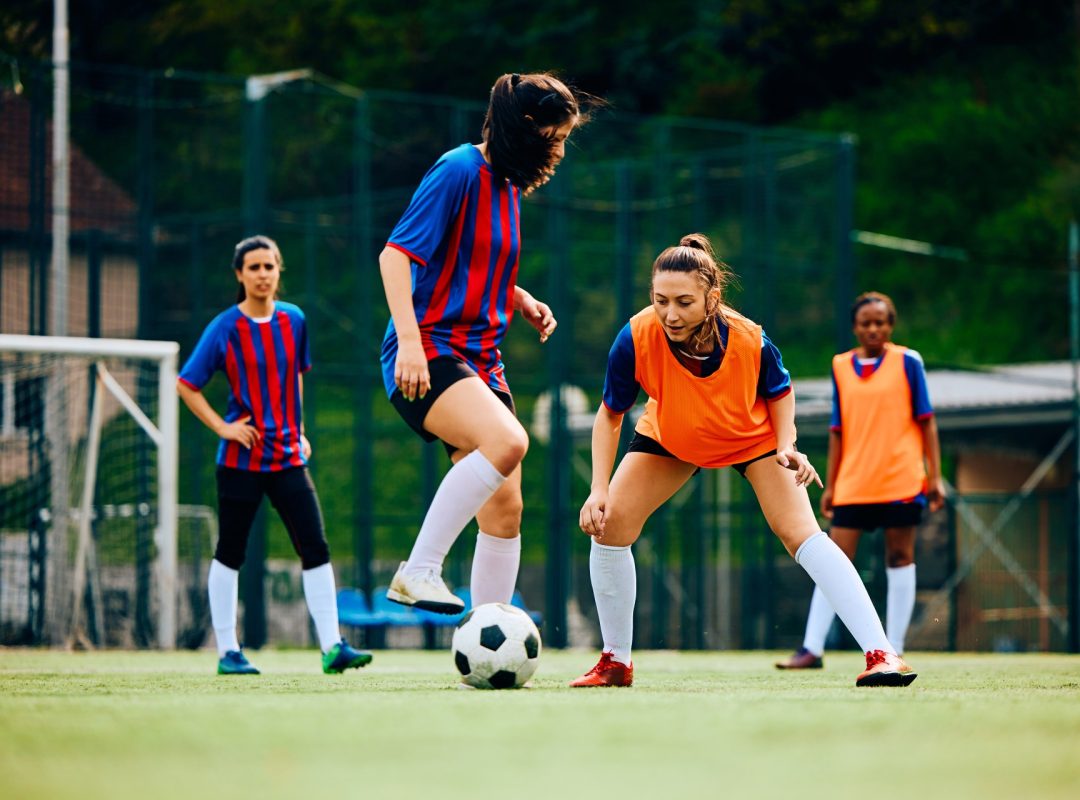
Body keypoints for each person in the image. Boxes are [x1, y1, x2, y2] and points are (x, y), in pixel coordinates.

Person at [572, 235, 917, 688]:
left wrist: (787, 444)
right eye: (660, 300)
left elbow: (780, 393)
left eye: (683, 302)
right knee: (610, 526)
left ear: (711, 298)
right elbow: (611, 414)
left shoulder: (751, 339)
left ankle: (882, 655)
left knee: (801, 534)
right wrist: (599, 488)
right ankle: (615, 663)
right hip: (672, 437)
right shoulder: (636, 335)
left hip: (750, 439)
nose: (670, 314)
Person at [378, 72, 590, 614]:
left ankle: (487, 635)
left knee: (505, 511)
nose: (560, 149)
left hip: (480, 359)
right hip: (430, 350)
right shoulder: (458, 169)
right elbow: (396, 256)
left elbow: (470, 257)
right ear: (525, 127)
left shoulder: (508, 185)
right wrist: (408, 343)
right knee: (510, 441)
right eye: (555, 136)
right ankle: (419, 570)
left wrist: (517, 297)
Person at [177, 235, 372, 675]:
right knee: (231, 551)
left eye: (269, 266)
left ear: (279, 271)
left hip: (287, 459)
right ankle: (228, 651)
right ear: (239, 275)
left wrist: (298, 431)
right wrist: (224, 428)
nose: (263, 274)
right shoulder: (225, 327)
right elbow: (186, 384)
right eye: (254, 267)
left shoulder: (294, 320)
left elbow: (295, 378)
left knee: (316, 546)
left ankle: (332, 646)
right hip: (240, 462)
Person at [776, 291, 944, 670]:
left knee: (900, 558)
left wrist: (935, 477)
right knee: (833, 560)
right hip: (854, 482)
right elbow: (838, 430)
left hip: (901, 480)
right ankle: (811, 649)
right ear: (855, 327)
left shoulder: (908, 363)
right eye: (866, 322)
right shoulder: (840, 366)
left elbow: (927, 421)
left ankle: (892, 648)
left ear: (891, 325)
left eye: (881, 322)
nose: (873, 328)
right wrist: (832, 485)